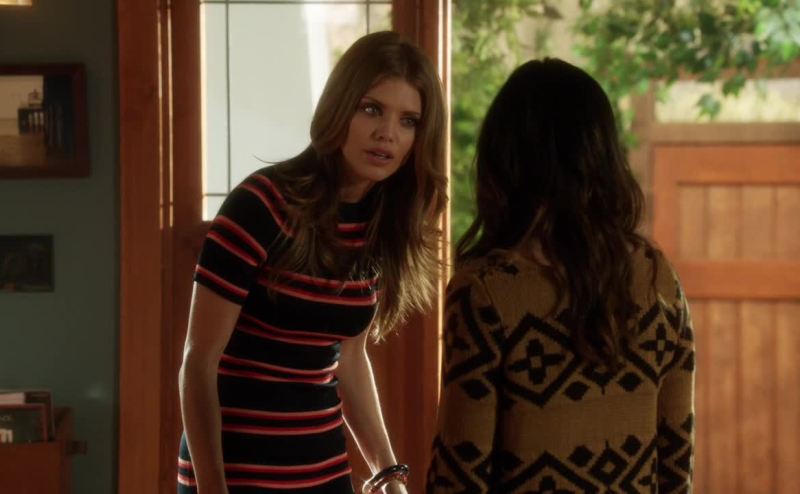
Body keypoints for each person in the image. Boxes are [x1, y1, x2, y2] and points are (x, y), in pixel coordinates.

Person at [178, 31, 447, 494]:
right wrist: (211, 488)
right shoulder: (262, 205)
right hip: (232, 472)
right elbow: (198, 362)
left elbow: (350, 360)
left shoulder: (378, 225)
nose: (387, 133)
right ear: (339, 108)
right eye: (371, 109)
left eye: (408, 121)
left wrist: (388, 475)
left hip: (322, 471)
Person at [426, 59, 695, 493]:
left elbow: (460, 474)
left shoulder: (487, 293)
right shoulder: (656, 276)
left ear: (504, 159)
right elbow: (676, 464)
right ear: (602, 156)